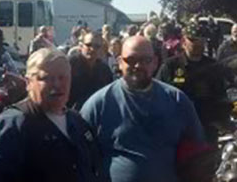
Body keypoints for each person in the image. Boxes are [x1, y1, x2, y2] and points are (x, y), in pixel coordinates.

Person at [0, 48, 98, 182]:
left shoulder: (76, 121)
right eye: (46, 78)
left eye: (62, 77)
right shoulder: (15, 124)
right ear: (28, 82)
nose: (57, 84)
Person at [81, 36, 205, 182]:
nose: (138, 66)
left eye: (145, 60)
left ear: (155, 62)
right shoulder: (98, 104)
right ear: (120, 62)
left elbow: (197, 151)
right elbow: (81, 158)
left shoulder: (177, 101)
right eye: (131, 60)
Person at [157, 20, 231, 143]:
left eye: (201, 40)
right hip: (179, 129)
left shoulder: (213, 66)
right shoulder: (171, 66)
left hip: (207, 128)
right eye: (193, 40)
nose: (197, 44)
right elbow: (157, 94)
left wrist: (222, 121)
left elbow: (222, 95)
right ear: (183, 42)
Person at [68, 31, 113, 109]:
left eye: (97, 46)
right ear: (81, 46)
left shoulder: (104, 70)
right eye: (88, 45)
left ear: (102, 49)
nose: (92, 49)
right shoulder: (69, 65)